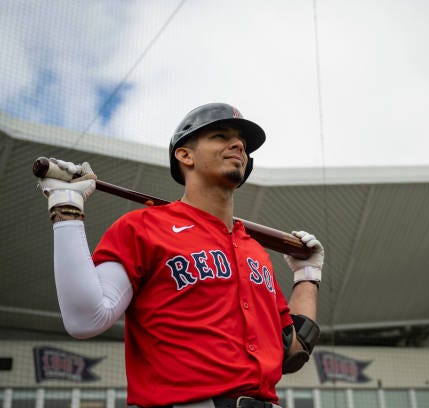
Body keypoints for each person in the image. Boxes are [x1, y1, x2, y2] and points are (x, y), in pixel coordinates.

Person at [38, 103, 323, 408]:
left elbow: (292, 351)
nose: (238, 144)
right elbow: (85, 318)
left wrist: (307, 275)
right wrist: (66, 208)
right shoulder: (142, 228)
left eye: (241, 141)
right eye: (220, 135)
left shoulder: (255, 251)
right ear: (185, 155)